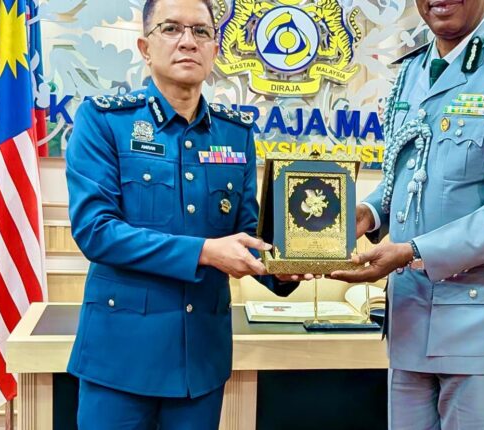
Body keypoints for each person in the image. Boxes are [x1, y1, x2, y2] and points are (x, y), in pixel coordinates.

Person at [65, 0, 307, 428]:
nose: (188, 42)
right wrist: (205, 252)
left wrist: (283, 269)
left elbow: (245, 230)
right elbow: (96, 231)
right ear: (145, 47)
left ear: (214, 50)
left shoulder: (235, 133)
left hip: (201, 362)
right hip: (120, 359)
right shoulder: (105, 121)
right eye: (171, 28)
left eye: (201, 32)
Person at [331, 0, 484, 428]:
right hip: (409, 320)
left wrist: (413, 251)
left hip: (482, 327)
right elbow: (407, 174)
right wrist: (369, 213)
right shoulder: (411, 69)